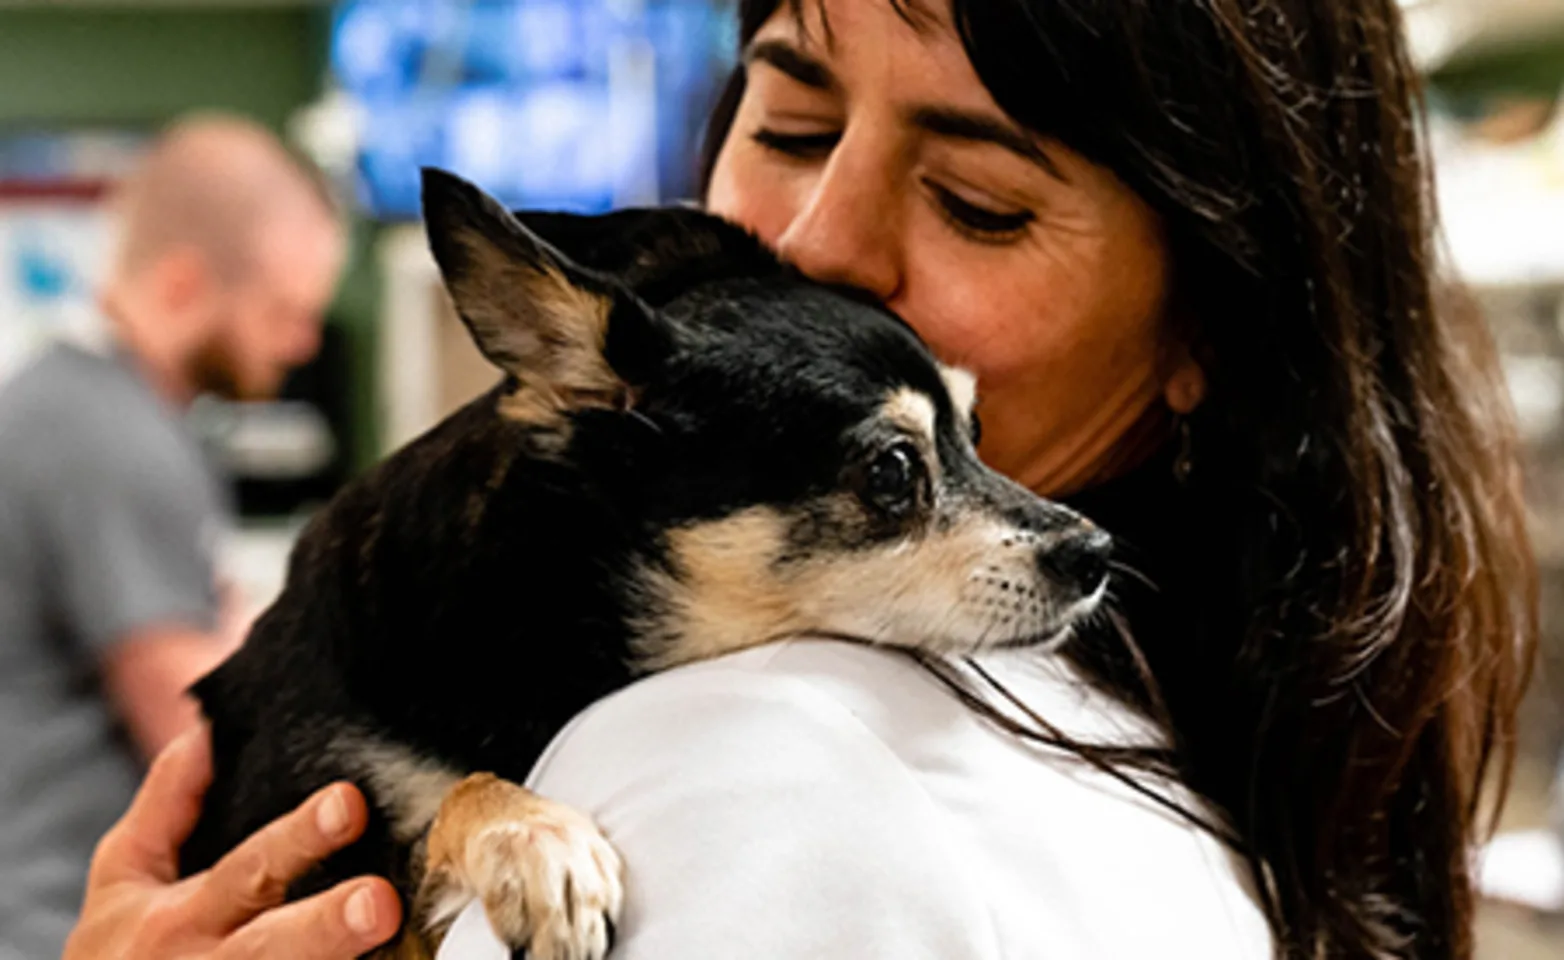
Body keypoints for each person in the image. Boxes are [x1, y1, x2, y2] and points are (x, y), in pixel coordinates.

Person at [74, 1, 1537, 958]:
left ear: (1210, 323)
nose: (826, 251)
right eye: (785, 124)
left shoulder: (748, 767)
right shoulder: (1208, 748)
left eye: (980, 201)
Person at [0, 114, 345, 957]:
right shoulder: (105, 437)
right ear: (186, 284)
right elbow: (203, 732)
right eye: (283, 312)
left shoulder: (67, 405)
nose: (301, 344)